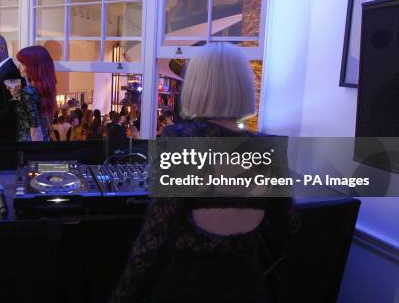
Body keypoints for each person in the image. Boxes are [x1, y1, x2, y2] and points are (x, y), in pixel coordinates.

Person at [110, 43, 295, 302]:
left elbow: (152, 240)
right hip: (249, 288)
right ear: (243, 87)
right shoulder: (267, 148)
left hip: (188, 288)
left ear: (196, 85)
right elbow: (288, 226)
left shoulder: (180, 141)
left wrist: (121, 297)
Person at [10, 45, 57, 142]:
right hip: (44, 141)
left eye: (23, 64)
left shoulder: (28, 92)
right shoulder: (44, 90)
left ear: (33, 67)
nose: (19, 67)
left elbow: (35, 129)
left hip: (29, 147)